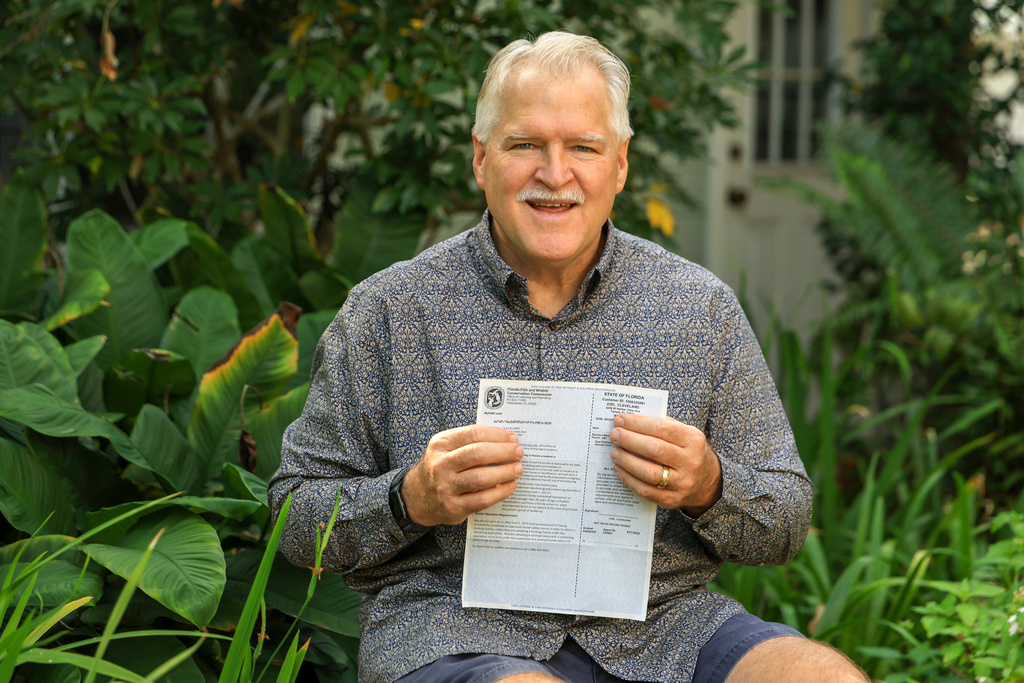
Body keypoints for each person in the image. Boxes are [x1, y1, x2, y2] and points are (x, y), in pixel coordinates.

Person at [269, 30, 868, 683]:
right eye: (525, 145)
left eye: (582, 147)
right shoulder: (388, 312)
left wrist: (708, 485)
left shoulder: (698, 309)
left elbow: (785, 519)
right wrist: (409, 497)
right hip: (455, 632)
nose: (554, 175)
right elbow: (296, 517)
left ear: (619, 164)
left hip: (664, 628)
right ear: (480, 158)